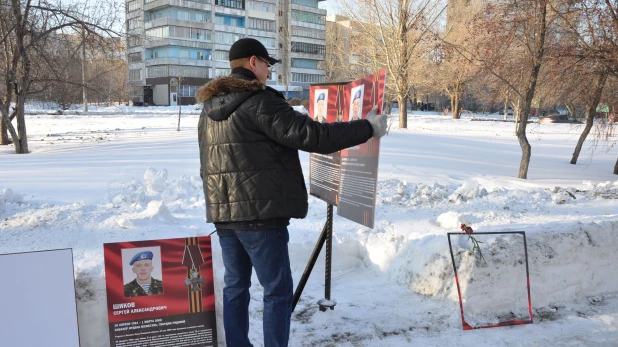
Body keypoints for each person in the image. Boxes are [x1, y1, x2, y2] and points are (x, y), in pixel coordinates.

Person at [196, 38, 387, 347]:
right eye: (267, 66)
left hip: (224, 218)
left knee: (235, 288)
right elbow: (314, 135)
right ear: (253, 62)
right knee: (277, 292)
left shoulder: (209, 110)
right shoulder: (259, 102)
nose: (268, 73)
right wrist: (367, 127)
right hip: (260, 216)